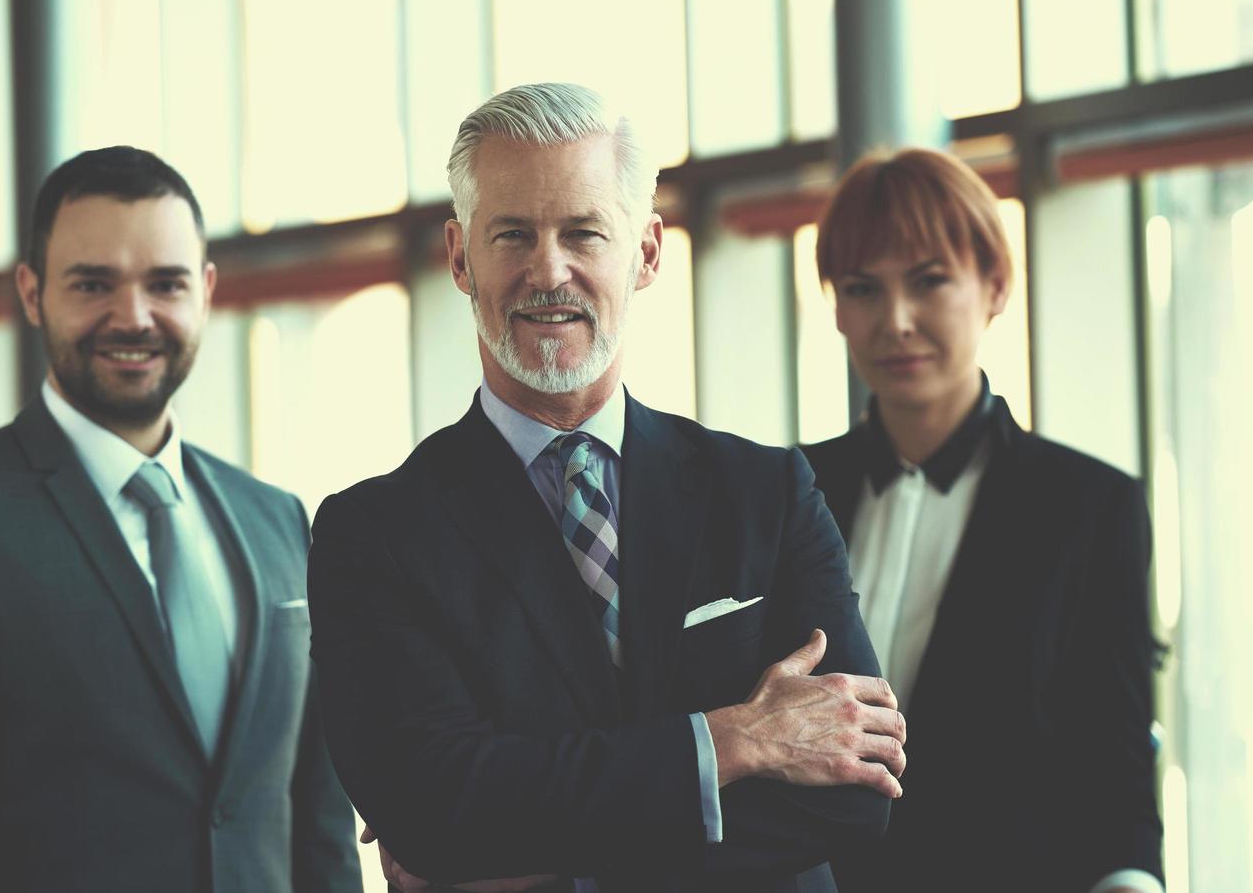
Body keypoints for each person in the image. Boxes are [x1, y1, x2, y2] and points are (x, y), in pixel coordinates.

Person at [308, 83, 907, 893]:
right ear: (459, 256)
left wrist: (521, 858)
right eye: (511, 234)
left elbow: (853, 793)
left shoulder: (767, 492)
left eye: (582, 233)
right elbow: (430, 805)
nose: (546, 270)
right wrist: (729, 742)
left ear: (647, 253)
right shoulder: (373, 533)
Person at [0, 146, 361, 893]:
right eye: (93, 284)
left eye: (165, 283)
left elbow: (319, 825)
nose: (133, 316)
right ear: (31, 292)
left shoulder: (276, 518)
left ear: (205, 291)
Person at [800, 148, 1164, 893]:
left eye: (929, 281)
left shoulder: (1089, 507)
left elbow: (1114, 755)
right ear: (836, 308)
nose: (896, 321)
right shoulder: (782, 490)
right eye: (864, 288)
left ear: (995, 286)